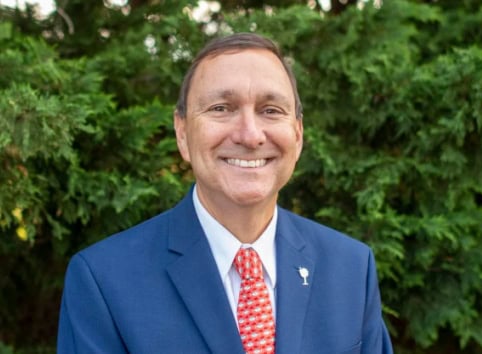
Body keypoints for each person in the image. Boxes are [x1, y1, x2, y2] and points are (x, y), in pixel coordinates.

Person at [57, 32, 393, 354]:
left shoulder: (351, 268)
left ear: (298, 134)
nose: (250, 135)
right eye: (221, 108)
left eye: (271, 110)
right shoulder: (103, 280)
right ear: (183, 132)